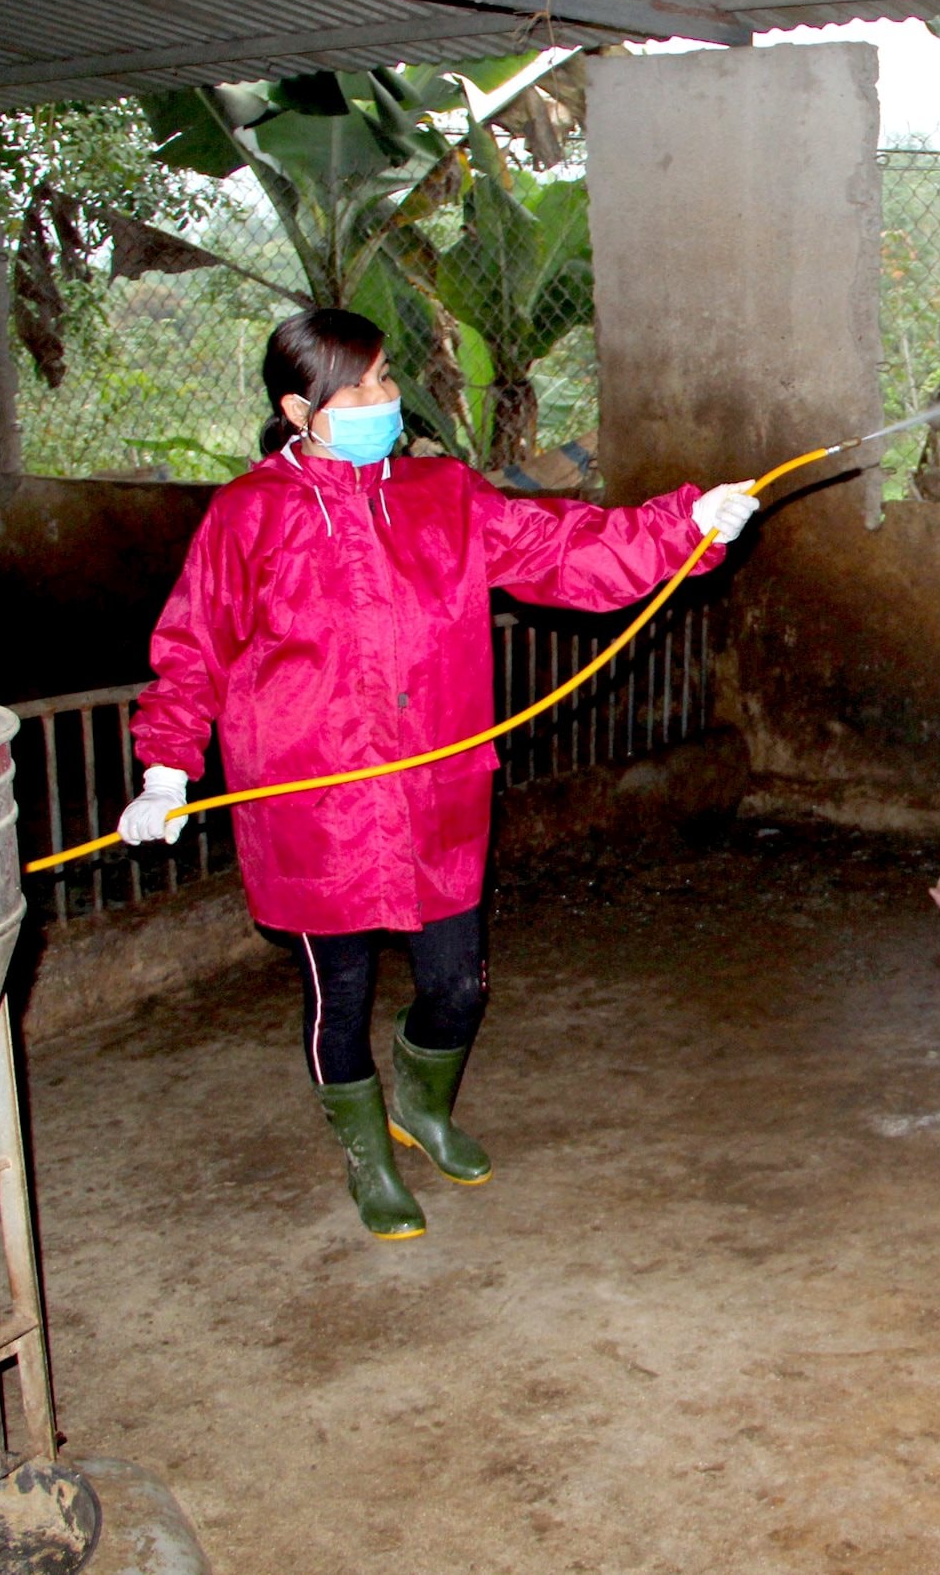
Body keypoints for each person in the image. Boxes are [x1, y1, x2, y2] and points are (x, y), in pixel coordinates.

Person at [117, 307, 756, 1240]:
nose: (387, 396)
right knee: (338, 996)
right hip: (313, 807)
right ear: (300, 409)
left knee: (458, 985)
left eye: (385, 375)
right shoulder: (247, 515)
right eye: (363, 384)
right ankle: (365, 1154)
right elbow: (192, 650)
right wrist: (167, 769)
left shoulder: (441, 494)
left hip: (433, 798)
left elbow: (563, 550)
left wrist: (684, 527)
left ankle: (421, 1107)